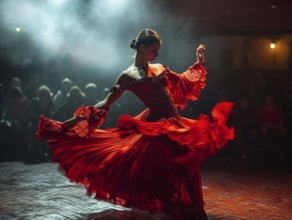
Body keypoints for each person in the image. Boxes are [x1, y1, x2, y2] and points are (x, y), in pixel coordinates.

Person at [37, 29, 234, 219]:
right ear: (141, 47)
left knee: (190, 156)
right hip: (157, 127)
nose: (156, 55)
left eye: (157, 51)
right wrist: (70, 122)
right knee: (186, 157)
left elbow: (181, 81)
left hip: (175, 123)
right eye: (153, 50)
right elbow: (105, 103)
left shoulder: (159, 68)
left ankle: (192, 208)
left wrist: (198, 63)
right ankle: (196, 210)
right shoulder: (128, 76)